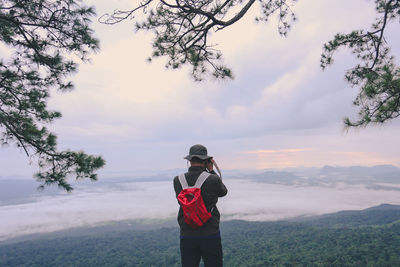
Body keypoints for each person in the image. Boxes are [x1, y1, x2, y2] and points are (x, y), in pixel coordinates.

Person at [173, 144, 228, 267]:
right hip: (210, 233)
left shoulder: (177, 180)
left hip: (187, 234)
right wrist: (212, 170)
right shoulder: (213, 179)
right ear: (205, 160)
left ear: (190, 161)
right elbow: (223, 192)